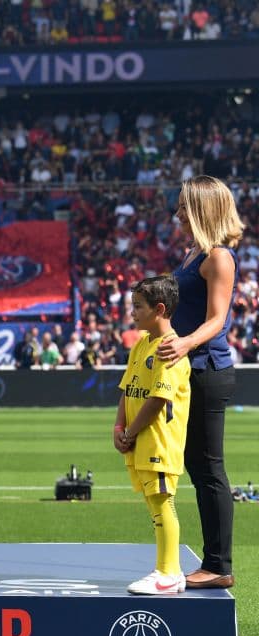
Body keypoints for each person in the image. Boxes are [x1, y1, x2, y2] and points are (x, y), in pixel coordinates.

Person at [156, 175, 243, 589]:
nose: (178, 214)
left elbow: (217, 320)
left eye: (184, 207)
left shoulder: (219, 258)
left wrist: (185, 342)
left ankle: (219, 565)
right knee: (197, 465)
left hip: (207, 369)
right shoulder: (194, 254)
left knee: (209, 468)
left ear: (202, 210)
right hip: (191, 370)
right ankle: (214, 561)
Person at [114, 276, 191, 595]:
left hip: (159, 439)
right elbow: (127, 387)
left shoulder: (170, 349)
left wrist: (130, 431)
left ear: (159, 309)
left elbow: (159, 399)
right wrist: (118, 427)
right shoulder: (141, 344)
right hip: (139, 439)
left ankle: (169, 572)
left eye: (137, 306)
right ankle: (166, 570)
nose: (132, 312)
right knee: (154, 505)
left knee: (162, 503)